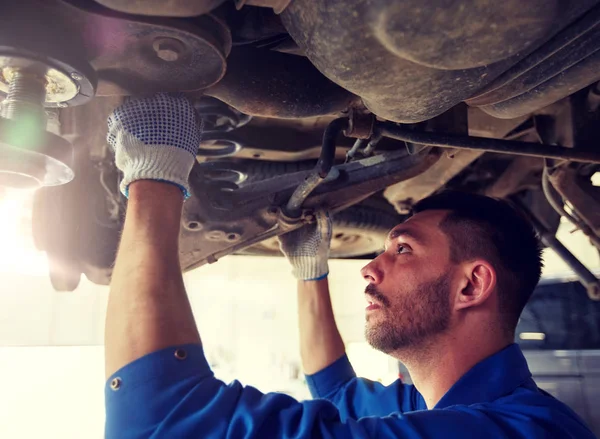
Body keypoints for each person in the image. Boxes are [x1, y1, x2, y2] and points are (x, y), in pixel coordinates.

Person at [103, 94, 596, 438]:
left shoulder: (519, 432)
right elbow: (336, 391)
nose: (367, 269)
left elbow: (163, 424)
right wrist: (310, 272)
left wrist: (154, 177)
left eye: (401, 249)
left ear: (472, 284)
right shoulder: (442, 403)